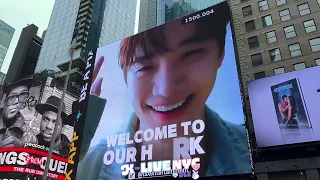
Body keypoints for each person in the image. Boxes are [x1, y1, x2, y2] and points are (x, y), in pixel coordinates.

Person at [76, 2, 251, 179]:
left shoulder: (249, 144)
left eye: (191, 54)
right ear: (125, 77)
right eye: (144, 67)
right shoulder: (88, 167)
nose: (165, 90)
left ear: (221, 53)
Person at [0, 78, 39, 148]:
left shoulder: (28, 135)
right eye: (12, 96)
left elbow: (33, 151)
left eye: (22, 96)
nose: (16, 102)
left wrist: (21, 148)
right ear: (3, 101)